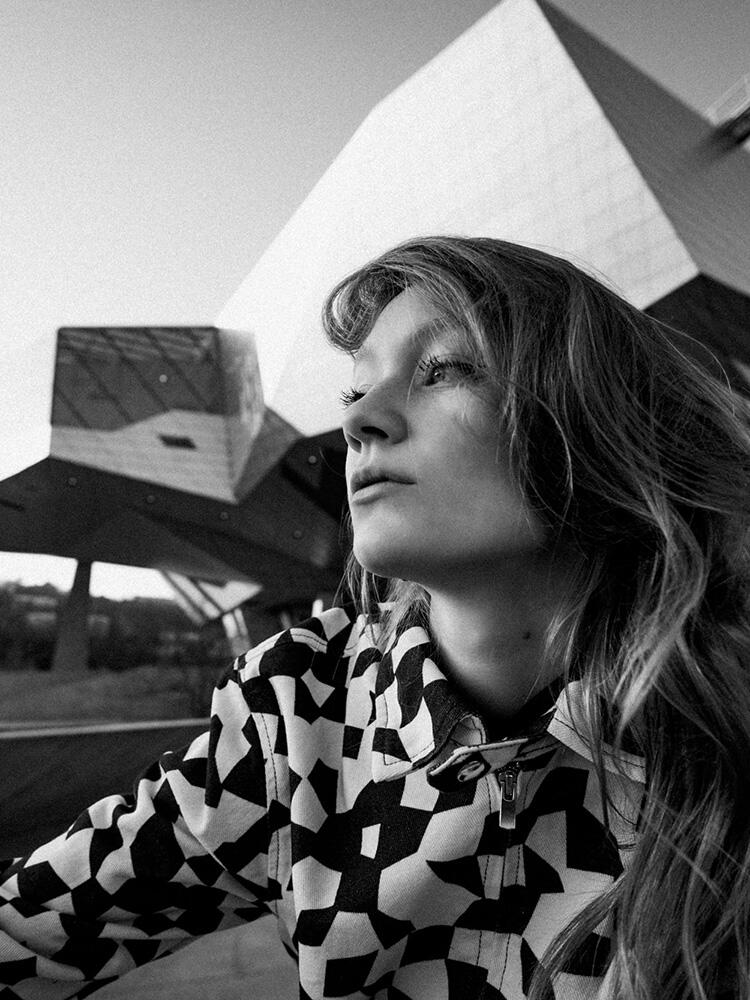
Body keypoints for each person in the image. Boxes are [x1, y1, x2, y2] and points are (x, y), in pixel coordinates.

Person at [1, 236, 749, 1000]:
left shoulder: (722, 713)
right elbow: (24, 933)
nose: (361, 421)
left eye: (442, 368)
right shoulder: (299, 714)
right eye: (354, 393)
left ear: (600, 419)